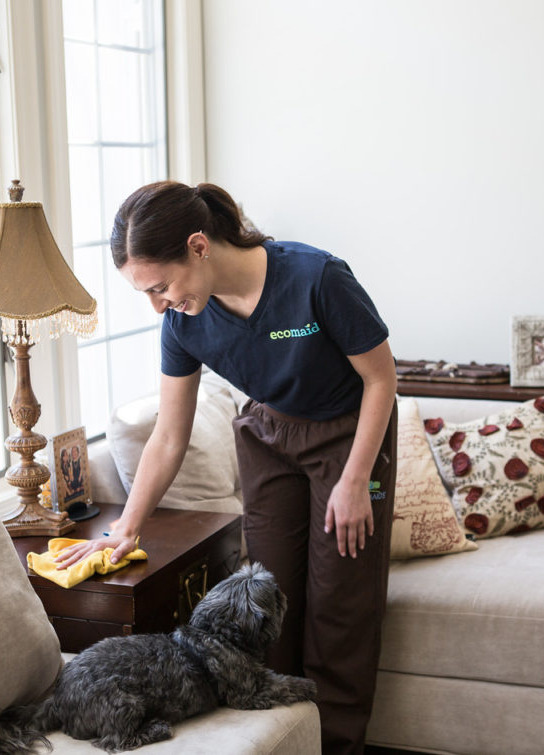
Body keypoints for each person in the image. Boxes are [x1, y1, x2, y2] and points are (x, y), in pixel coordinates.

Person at [55, 181, 398, 754]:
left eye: (160, 286)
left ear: (198, 245)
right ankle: (288, 740)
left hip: (346, 438)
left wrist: (358, 478)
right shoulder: (184, 323)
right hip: (268, 439)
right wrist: (125, 528)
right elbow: (169, 433)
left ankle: (337, 746)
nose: (158, 304)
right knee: (264, 599)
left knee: (341, 610)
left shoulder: (316, 278)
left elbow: (381, 379)